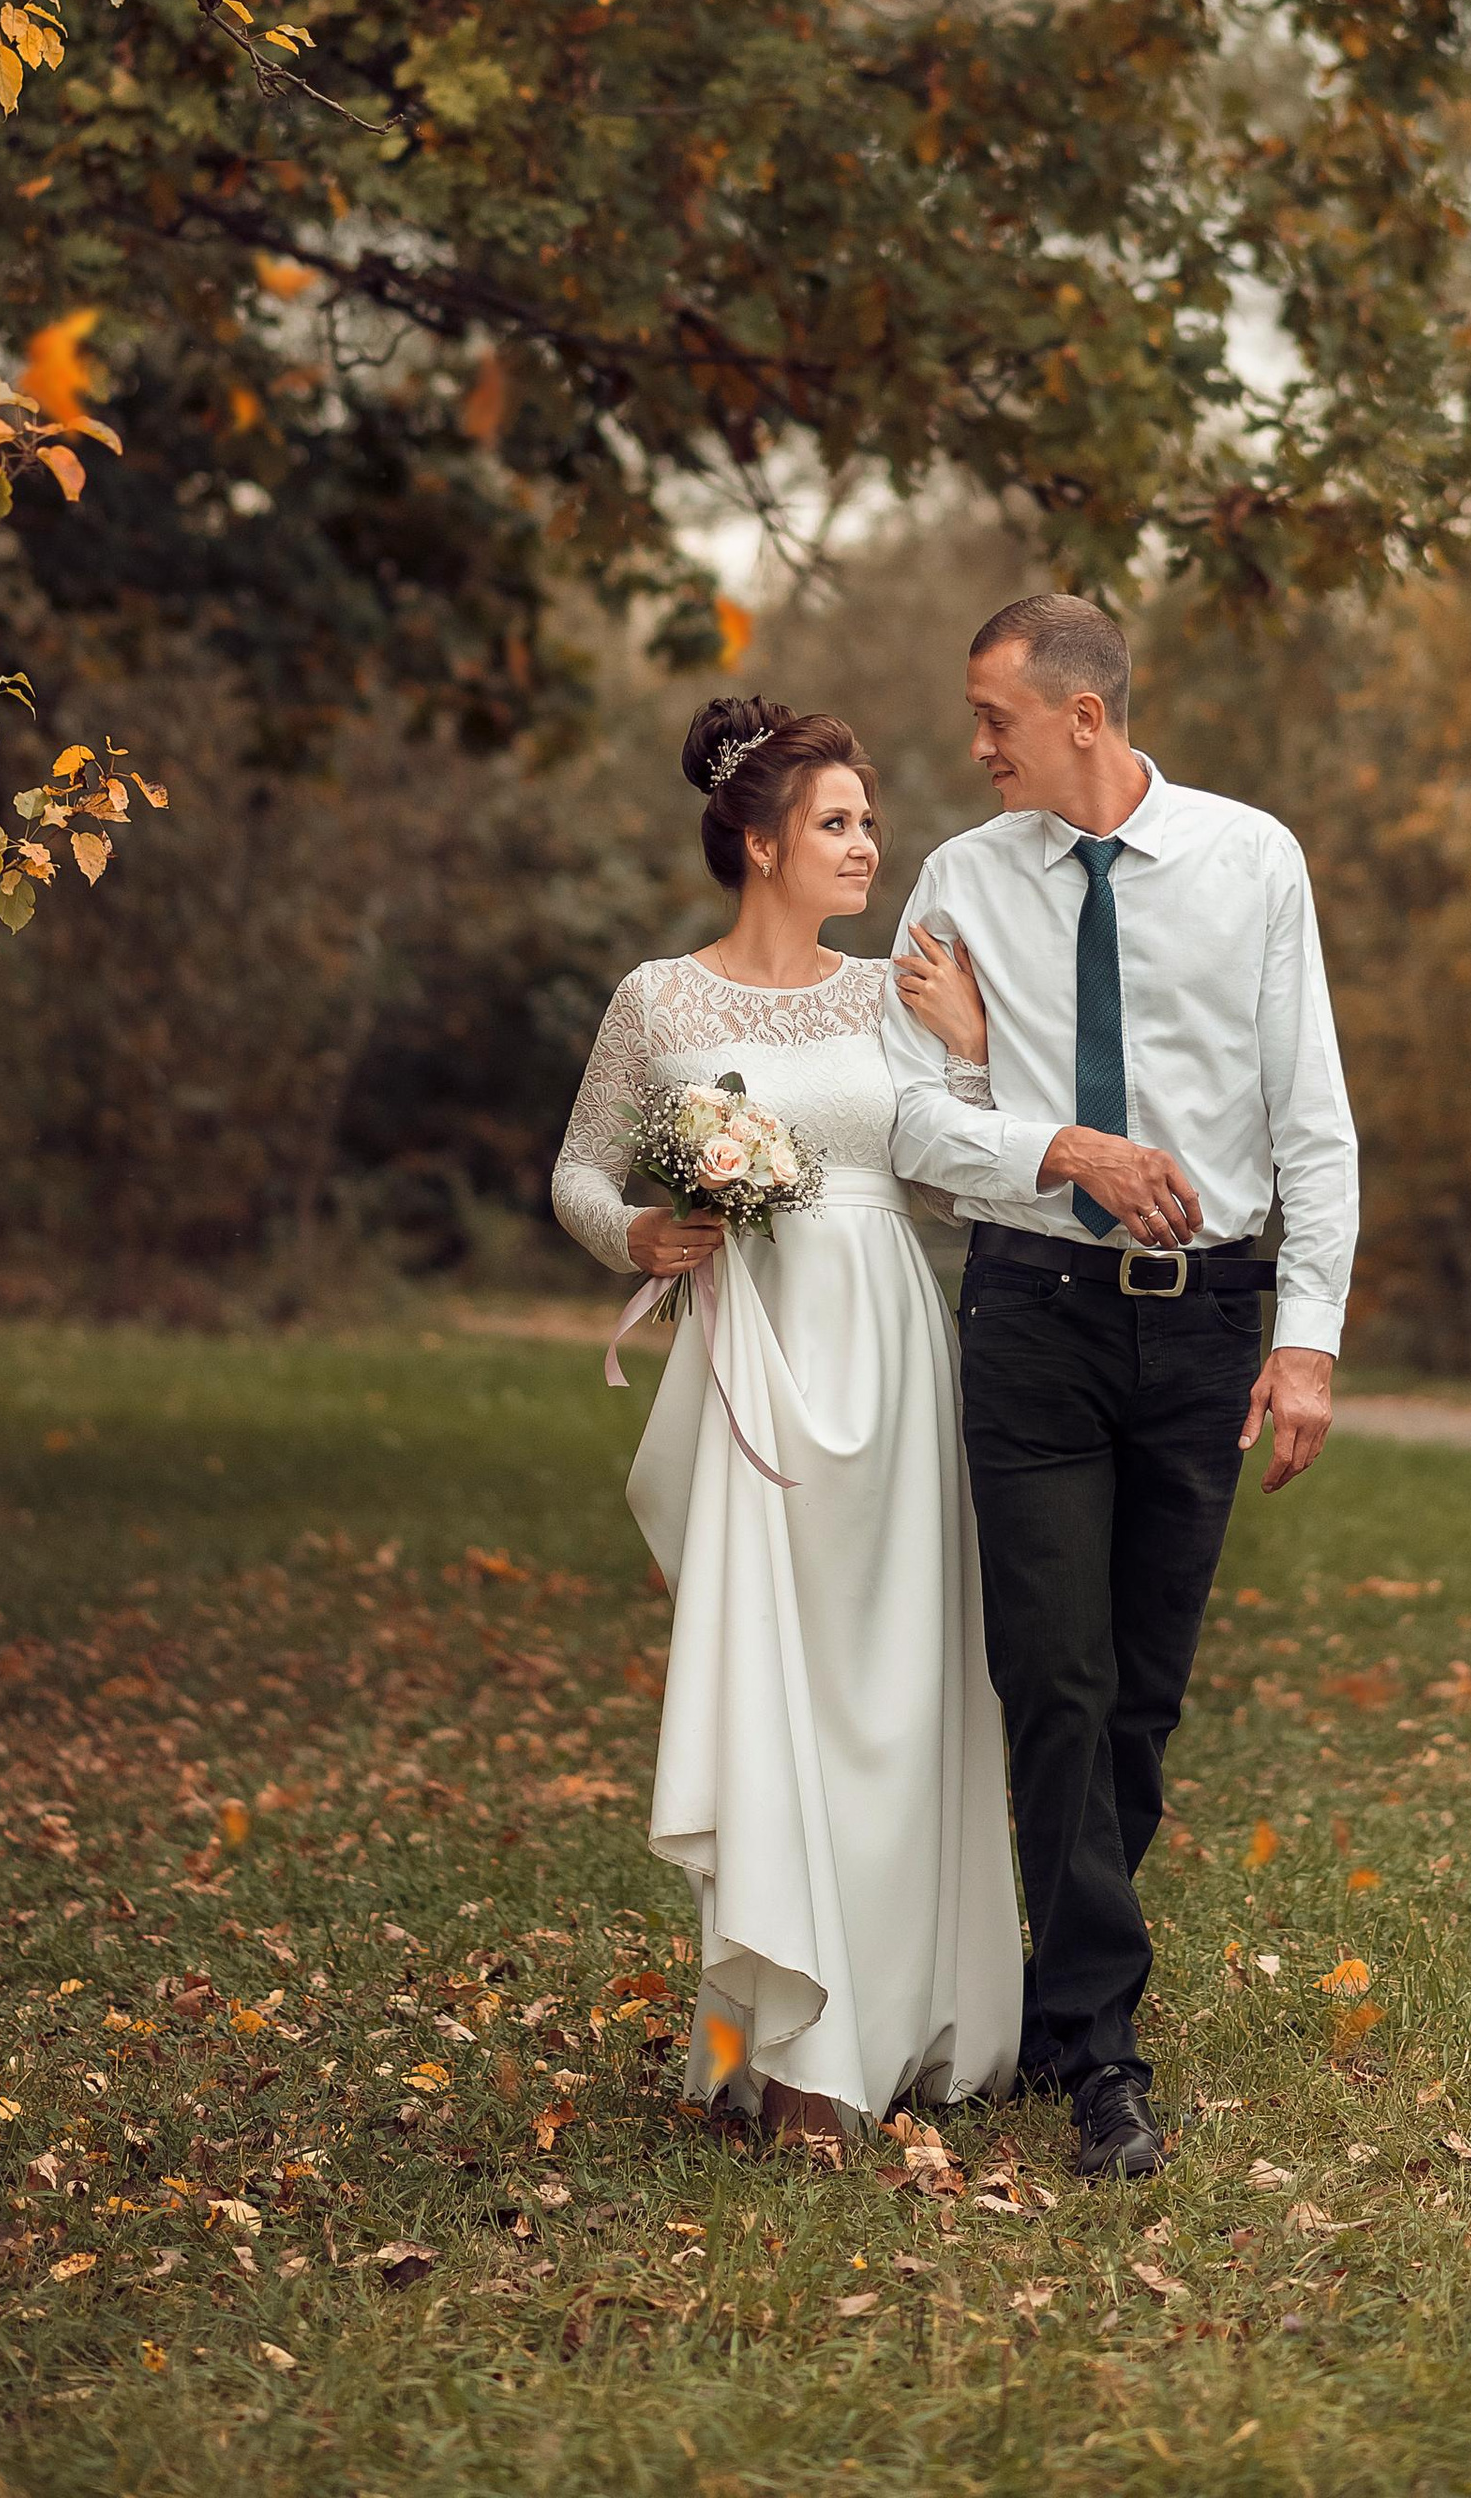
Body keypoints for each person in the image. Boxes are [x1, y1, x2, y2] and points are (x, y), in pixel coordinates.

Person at [883, 593, 1357, 2183]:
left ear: (1082, 715)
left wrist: (1307, 1338)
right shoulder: (959, 881)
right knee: (1057, 1678)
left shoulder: (1252, 862)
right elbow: (910, 1123)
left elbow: (1313, 1119)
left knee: (1140, 1691)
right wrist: (1058, 1145)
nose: (975, 747)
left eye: (994, 717)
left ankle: (1056, 1999)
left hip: (1206, 1320)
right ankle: (1107, 2059)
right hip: (1030, 1313)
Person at [551, 697, 1023, 2156]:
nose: (869, 845)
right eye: (836, 822)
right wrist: (637, 1231)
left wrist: (977, 1056)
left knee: (889, 1695)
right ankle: (785, 2049)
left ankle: (881, 2033)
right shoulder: (657, 1002)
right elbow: (577, 1169)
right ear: (759, 842)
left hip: (885, 1354)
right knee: (777, 1687)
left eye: (869, 822)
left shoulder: (899, 991)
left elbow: (969, 1176)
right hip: (749, 1357)